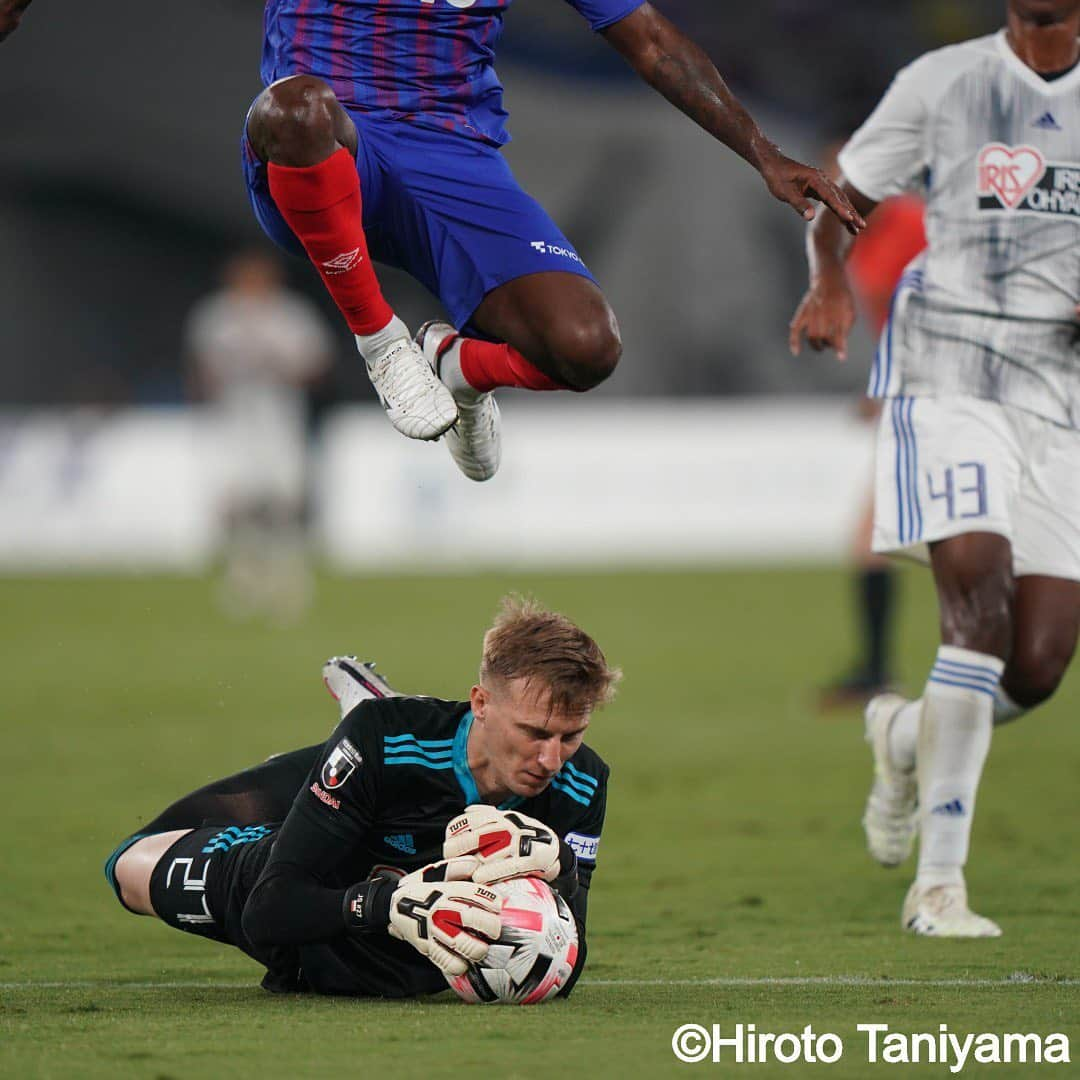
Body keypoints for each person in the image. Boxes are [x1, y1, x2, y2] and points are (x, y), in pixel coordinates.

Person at [0, 0, 864, 483]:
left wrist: (764, 154)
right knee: (294, 107)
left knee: (585, 347)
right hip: (328, 149)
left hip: (454, 160)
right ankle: (383, 345)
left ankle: (452, 364)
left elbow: (648, 39)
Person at [790, 0, 1080, 937]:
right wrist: (829, 282)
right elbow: (841, 193)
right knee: (979, 609)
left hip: (1060, 392)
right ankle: (939, 888)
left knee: (1038, 663)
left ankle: (903, 732)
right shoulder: (943, 83)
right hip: (949, 370)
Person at [102, 597, 618, 997]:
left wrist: (564, 868)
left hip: (383, 952)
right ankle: (356, 739)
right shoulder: (388, 744)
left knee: (376, 777)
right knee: (128, 869)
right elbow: (268, 911)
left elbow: (567, 958)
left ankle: (354, 757)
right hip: (324, 883)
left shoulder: (582, 782)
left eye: (570, 737)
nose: (553, 760)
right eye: (534, 733)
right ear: (480, 703)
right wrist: (385, 906)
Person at [818, 188, 927, 710]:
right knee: (872, 536)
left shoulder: (912, 223)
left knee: (874, 537)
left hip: (943, 394)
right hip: (916, 392)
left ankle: (878, 672)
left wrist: (895, 386)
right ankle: (877, 670)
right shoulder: (853, 230)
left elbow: (936, 308)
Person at [186, 249, 333, 622]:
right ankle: (243, 580)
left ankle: (290, 580)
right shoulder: (216, 317)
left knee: (284, 500)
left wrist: (279, 366)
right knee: (238, 502)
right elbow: (202, 371)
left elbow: (315, 366)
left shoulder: (290, 316)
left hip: (279, 416)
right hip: (234, 417)